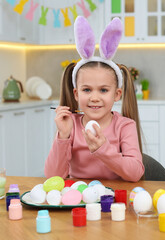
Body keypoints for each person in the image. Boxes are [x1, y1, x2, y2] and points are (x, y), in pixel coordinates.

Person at [45, 16, 144, 181]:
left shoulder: (125, 126)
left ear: (117, 94)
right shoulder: (72, 125)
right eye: (87, 90)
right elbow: (52, 177)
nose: (95, 98)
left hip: (113, 200)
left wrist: (103, 149)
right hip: (78, 198)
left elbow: (135, 173)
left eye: (104, 90)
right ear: (77, 94)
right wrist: (63, 136)